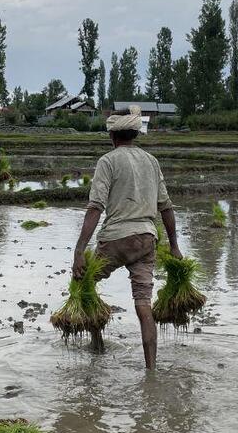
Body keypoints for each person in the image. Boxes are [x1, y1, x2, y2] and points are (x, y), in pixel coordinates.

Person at [71, 106, 181, 369]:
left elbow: (95, 207)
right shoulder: (151, 161)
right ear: (135, 134)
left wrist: (79, 252)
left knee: (82, 282)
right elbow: (166, 207)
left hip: (116, 239)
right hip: (146, 239)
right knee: (143, 304)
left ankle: (97, 343)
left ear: (112, 136)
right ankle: (151, 370)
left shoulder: (108, 161)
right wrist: (175, 247)